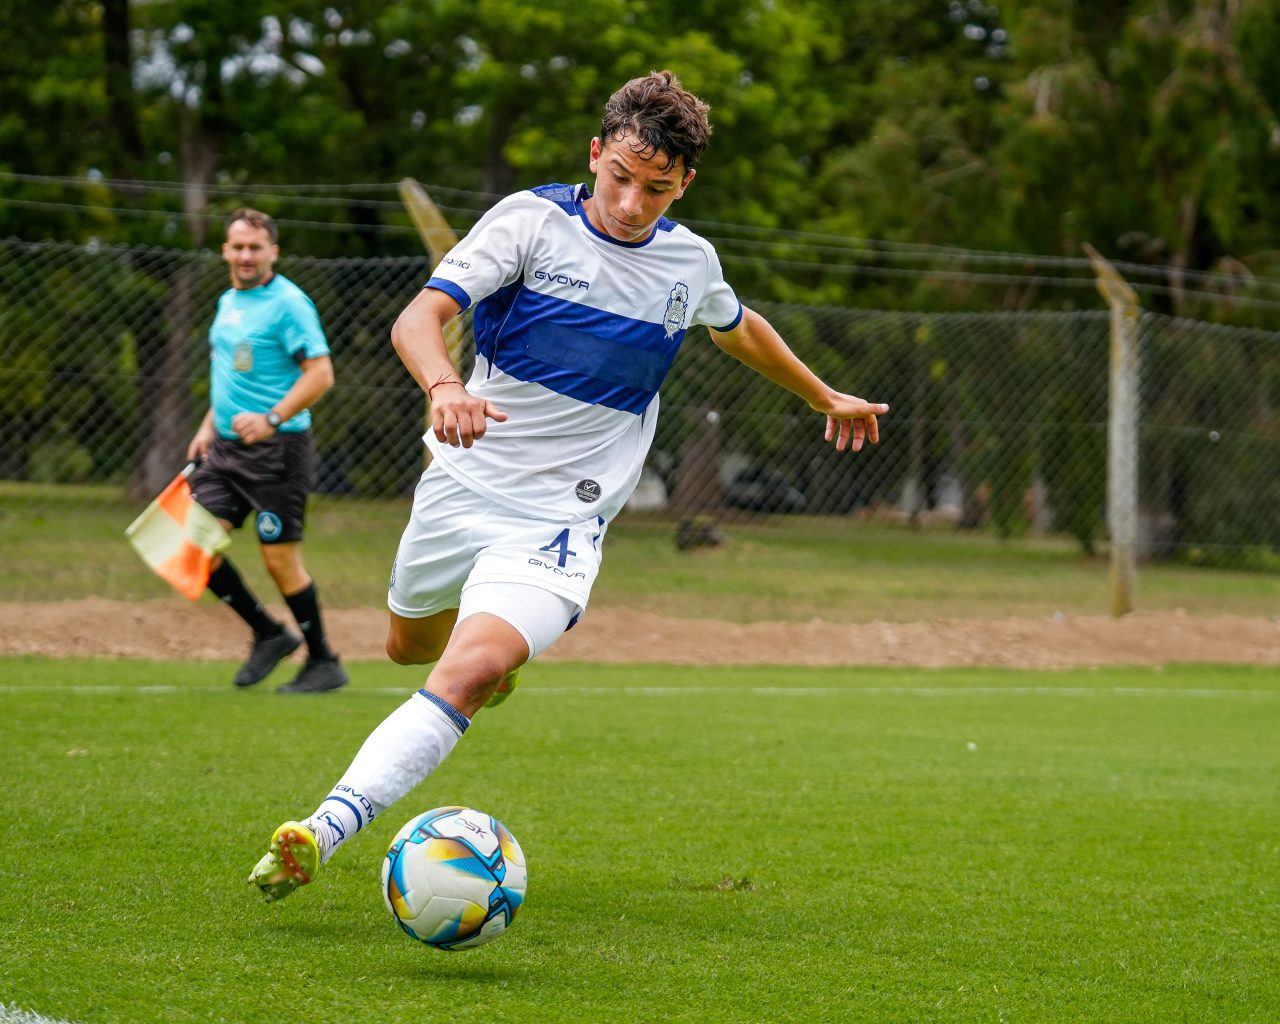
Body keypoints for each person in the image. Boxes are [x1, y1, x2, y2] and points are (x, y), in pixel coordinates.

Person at [247, 71, 886, 899]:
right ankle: (491, 657)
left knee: (469, 672)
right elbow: (418, 318)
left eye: (656, 189)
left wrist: (821, 394)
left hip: (562, 519)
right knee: (408, 646)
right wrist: (445, 387)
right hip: (463, 482)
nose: (630, 203)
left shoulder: (690, 262)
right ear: (595, 154)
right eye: (619, 177)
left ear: (685, 184)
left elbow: (736, 328)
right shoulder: (530, 221)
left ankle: (322, 830)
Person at [187, 208, 349, 694]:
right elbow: (231, 372)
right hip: (226, 451)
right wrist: (207, 427)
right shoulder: (228, 301)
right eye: (237, 246)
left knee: (280, 562)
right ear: (225, 251)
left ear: (272, 252)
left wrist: (271, 418)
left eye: (255, 248)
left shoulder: (289, 303)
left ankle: (323, 661)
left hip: (278, 450)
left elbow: (321, 374)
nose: (245, 255)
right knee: (192, 544)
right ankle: (268, 633)